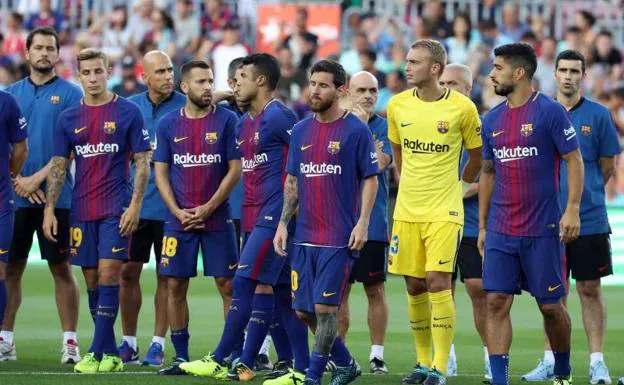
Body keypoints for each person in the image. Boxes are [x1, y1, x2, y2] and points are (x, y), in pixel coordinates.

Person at [179, 53, 310, 382]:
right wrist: (229, 95)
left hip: (277, 214)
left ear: (261, 81)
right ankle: (298, 367)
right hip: (251, 216)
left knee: (243, 282)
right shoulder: (243, 120)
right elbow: (210, 108)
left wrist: (290, 215)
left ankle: (223, 357)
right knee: (277, 292)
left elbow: (305, 161)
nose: (234, 84)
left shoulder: (280, 117)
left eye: (241, 78)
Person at [479, 43, 583, 385]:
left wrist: (571, 210)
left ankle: (563, 370)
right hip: (501, 229)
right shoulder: (491, 119)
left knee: (551, 307)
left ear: (518, 73)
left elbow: (573, 159)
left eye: (498, 67)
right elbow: (489, 173)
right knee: (495, 301)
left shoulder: (550, 112)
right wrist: (482, 226)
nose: (492, 74)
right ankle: (499, 380)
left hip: (543, 228)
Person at [42, 48, 151, 373]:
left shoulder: (128, 112)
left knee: (109, 275)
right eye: (86, 73)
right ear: (78, 76)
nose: (92, 78)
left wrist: (135, 205)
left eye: (98, 71)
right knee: (91, 280)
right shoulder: (68, 118)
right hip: (81, 210)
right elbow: (59, 167)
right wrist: (49, 209)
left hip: (115, 209)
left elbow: (143, 162)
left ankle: (95, 351)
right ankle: (111, 354)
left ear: (108, 71)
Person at [273, 59, 379, 385]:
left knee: (325, 310)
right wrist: (281, 224)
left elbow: (371, 178)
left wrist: (363, 223)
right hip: (304, 235)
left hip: (338, 237)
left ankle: (313, 377)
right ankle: (346, 363)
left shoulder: (356, 130)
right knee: (304, 311)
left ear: (340, 89)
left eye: (323, 85)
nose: (315, 90)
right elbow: (292, 181)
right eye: (312, 83)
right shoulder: (302, 129)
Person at [386, 39, 482, 385]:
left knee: (438, 282)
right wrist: (409, 182)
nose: (407, 67)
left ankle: (440, 368)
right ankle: (422, 363)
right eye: (407, 60)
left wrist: (459, 186)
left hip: (445, 211)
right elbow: (398, 154)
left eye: (414, 62)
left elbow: (477, 157)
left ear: (435, 69)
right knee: (413, 286)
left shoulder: (462, 108)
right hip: (407, 210)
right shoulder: (396, 106)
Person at [521, 50, 619, 385]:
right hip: (545, 219)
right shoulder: (538, 113)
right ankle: (550, 360)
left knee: (589, 288)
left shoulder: (599, 115)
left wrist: (580, 198)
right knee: (552, 295)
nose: (567, 76)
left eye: (574, 71)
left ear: (584, 75)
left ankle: (596, 363)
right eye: (562, 70)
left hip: (588, 218)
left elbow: (608, 168)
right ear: (554, 73)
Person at [153, 60, 241, 374]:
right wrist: (177, 211)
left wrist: (209, 207)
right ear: (185, 87)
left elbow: (235, 169)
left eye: (210, 81)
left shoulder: (228, 120)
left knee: (228, 285)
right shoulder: (167, 124)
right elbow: (160, 172)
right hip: (178, 220)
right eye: (201, 81)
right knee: (174, 285)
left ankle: (231, 354)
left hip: (218, 218)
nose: (208, 87)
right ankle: (180, 356)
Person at [2, 27, 82, 364]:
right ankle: (5, 339)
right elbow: (7, 145)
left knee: (61, 267)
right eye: (39, 47)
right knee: (10, 269)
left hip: (57, 197)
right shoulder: (9, 93)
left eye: (51, 47)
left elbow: (75, 145)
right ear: (28, 52)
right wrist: (17, 179)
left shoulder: (71, 94)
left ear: (58, 53)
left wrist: (36, 178)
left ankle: (70, 342)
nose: (45, 53)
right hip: (13, 197)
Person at [117, 50, 186, 366]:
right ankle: (128, 342)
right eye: (160, 71)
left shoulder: (186, 106)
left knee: (167, 277)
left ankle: (158, 344)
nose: (168, 76)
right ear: (144, 76)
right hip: (137, 206)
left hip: (172, 207)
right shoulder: (130, 108)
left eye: (170, 70)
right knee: (127, 273)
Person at [438, 63, 491, 382]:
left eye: (453, 84)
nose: (446, 88)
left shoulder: (482, 127)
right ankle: (445, 358)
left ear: (469, 89)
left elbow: (492, 175)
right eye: (442, 82)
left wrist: (458, 190)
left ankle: (490, 356)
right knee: (440, 290)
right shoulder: (432, 125)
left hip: (471, 225)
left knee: (478, 289)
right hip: (439, 223)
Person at [337, 71, 391, 375]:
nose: (368, 96)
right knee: (340, 291)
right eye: (361, 90)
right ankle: (341, 353)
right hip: (340, 221)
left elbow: (381, 163)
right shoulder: (338, 123)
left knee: (375, 289)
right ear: (347, 91)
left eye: (373, 90)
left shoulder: (384, 126)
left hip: (373, 223)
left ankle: (377, 355)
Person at [0, 91, 28, 362]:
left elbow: (21, 148)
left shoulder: (6, 102)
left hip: (0, 199)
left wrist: (7, 175)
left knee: (1, 269)